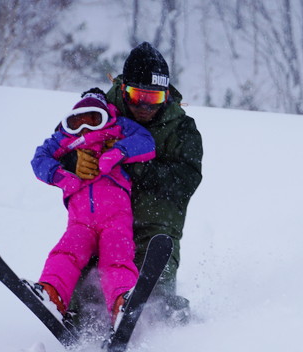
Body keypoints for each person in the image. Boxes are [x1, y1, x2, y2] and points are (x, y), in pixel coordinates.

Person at [69, 42, 203, 324]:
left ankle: (171, 327)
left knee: (152, 290)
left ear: (166, 95)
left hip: (156, 224)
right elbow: (62, 143)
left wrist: (130, 164)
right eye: (136, 95)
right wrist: (75, 162)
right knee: (83, 279)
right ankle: (71, 316)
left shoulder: (183, 130)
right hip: (104, 219)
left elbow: (186, 179)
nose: (143, 106)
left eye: (153, 98)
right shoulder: (100, 113)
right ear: (122, 88)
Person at [29, 88, 157, 325]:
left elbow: (147, 143)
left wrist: (118, 152)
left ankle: (121, 303)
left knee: (117, 258)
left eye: (94, 119)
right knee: (65, 253)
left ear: (106, 116)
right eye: (78, 122)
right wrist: (62, 176)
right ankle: (52, 294)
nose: (86, 128)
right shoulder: (67, 140)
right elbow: (39, 159)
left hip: (116, 217)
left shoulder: (118, 129)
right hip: (80, 222)